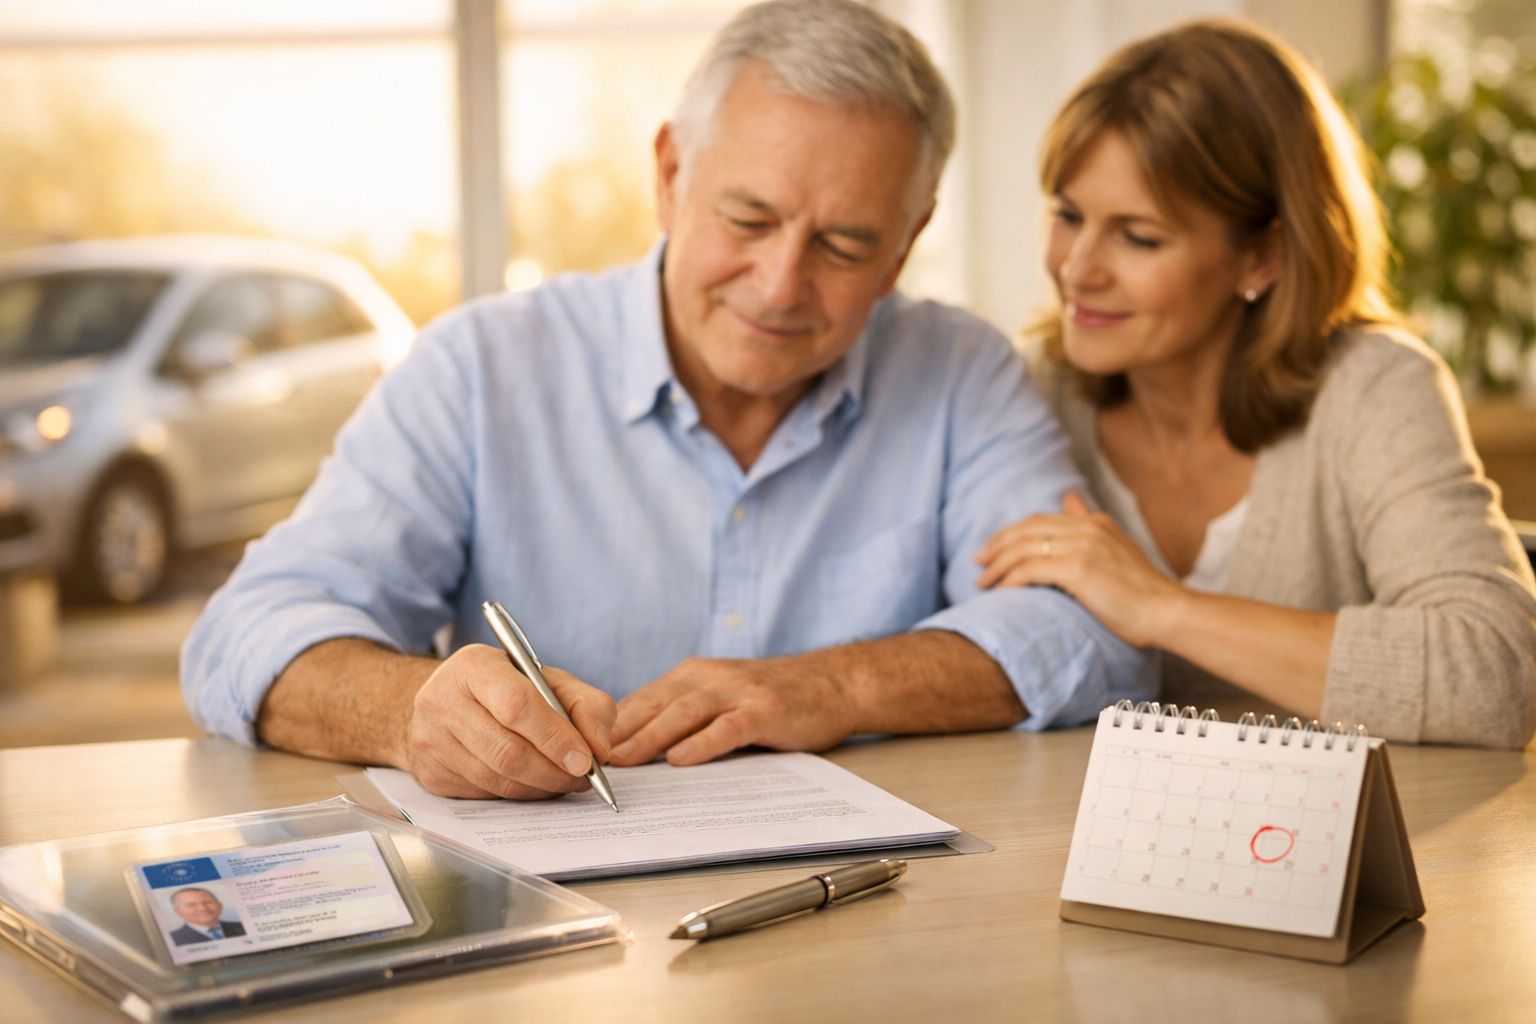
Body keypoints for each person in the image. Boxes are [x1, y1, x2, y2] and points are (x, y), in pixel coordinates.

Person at [181, 0, 1153, 799]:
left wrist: (835, 685)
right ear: (671, 174)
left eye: (847, 245)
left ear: (908, 239)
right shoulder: (482, 367)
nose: (778, 285)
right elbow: (247, 633)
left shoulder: (961, 372)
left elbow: (1093, 634)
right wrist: (409, 711)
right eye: (748, 217)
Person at [975, 19, 1536, 749]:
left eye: (1138, 237)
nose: (1077, 269)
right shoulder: (1032, 394)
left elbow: (1495, 675)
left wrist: (1161, 607)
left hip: (1346, 849)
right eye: (1068, 216)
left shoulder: (1373, 390)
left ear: (1262, 256)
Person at [167, 888, 246, 946]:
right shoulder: (171, 939)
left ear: (220, 905)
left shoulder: (243, 926)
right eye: (191, 905)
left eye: (208, 902)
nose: (203, 909)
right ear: (178, 911)